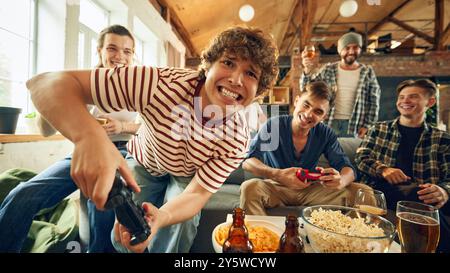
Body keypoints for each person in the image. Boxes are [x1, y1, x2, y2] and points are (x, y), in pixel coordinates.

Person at [24, 27, 279, 253]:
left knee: (181, 223)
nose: (236, 79)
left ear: (259, 91)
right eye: (228, 62)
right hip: (145, 161)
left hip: (186, 175)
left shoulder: (237, 137)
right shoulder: (157, 83)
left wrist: (164, 215)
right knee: (125, 229)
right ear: (208, 65)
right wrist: (88, 136)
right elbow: (44, 83)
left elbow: (198, 193)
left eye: (251, 74)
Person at [0, 24, 140, 253]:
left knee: (104, 200)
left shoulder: (139, 83)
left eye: (127, 51)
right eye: (112, 49)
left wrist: (122, 125)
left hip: (126, 151)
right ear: (100, 51)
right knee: (21, 195)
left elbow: (150, 127)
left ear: (133, 55)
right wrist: (54, 103)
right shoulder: (83, 84)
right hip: (82, 153)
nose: (120, 56)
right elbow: (46, 131)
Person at [240, 81, 369, 216]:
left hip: (311, 190)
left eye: (317, 111)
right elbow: (248, 162)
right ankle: (260, 236)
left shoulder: (325, 133)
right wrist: (277, 174)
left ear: (323, 117)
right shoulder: (274, 126)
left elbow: (347, 168)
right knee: (250, 187)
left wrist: (341, 180)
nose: (308, 114)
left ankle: (347, 236)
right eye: (306, 105)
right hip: (276, 187)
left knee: (364, 192)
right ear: (296, 101)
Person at [355, 78, 450, 252]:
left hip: (426, 194)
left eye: (413, 97)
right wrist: (383, 169)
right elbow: (361, 158)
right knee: (417, 193)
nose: (405, 101)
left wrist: (444, 191)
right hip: (385, 189)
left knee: (426, 196)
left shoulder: (442, 138)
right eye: (402, 97)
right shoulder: (378, 129)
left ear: (430, 102)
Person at [300, 31, 381, 138]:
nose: (351, 51)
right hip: (329, 123)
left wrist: (368, 125)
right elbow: (306, 89)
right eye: (347, 48)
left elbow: (374, 102)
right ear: (340, 50)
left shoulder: (367, 72)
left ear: (360, 49)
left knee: (351, 154)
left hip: (356, 126)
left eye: (355, 47)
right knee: (327, 154)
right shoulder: (328, 69)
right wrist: (307, 69)